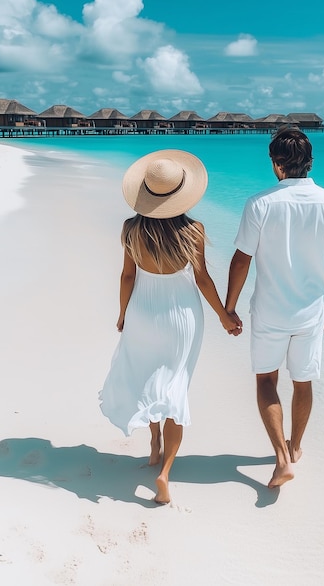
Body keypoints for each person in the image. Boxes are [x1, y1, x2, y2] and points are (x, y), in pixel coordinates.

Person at [100, 149, 240, 504]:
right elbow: (203, 280)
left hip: (143, 313)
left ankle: (153, 442)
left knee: (148, 377)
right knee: (175, 388)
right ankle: (164, 473)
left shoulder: (130, 229)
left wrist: (122, 314)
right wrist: (225, 315)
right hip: (182, 318)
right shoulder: (194, 231)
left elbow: (127, 275)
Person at [225, 127, 324, 488]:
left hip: (269, 311)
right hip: (310, 314)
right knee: (303, 380)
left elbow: (241, 260)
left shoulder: (260, 203)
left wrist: (229, 307)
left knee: (267, 379)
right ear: (309, 162)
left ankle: (281, 458)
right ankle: (296, 447)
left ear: (276, 164)